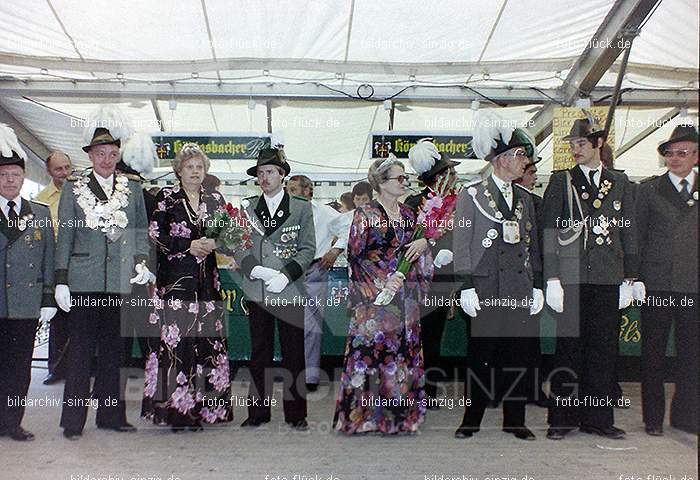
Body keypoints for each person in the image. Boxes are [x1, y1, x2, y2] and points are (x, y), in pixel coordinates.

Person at [55, 106, 153, 440]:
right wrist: (60, 279)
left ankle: (112, 416)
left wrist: (143, 264)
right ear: (91, 156)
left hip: (121, 282)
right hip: (84, 282)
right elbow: (65, 236)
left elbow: (141, 232)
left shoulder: (133, 189)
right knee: (81, 353)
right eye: (101, 154)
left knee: (117, 353)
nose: (107, 160)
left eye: (113, 154)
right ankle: (72, 421)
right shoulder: (73, 187)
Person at [542, 116, 640, 440]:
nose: (574, 149)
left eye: (581, 143)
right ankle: (561, 419)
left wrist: (630, 278)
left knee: (603, 351)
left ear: (598, 143)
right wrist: (552, 278)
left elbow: (629, 233)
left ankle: (598, 419)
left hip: (607, 277)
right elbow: (550, 233)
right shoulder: (562, 181)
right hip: (571, 278)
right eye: (571, 144)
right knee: (568, 349)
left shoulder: (620, 182)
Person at [452, 121, 544, 440]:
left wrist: (537, 286)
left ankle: (514, 419)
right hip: (486, 288)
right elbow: (461, 243)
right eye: (520, 155)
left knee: (517, 355)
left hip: (518, 288)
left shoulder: (525, 197)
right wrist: (465, 286)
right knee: (481, 356)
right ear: (501, 158)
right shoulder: (472, 194)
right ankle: (472, 417)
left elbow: (532, 245)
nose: (525, 162)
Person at [333, 156, 433, 435]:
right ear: (381, 183)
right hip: (372, 300)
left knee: (401, 356)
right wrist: (382, 284)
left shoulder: (411, 215)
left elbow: (419, 256)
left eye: (405, 178)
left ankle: (399, 418)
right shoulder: (364, 215)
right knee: (368, 356)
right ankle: (362, 417)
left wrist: (425, 245)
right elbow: (355, 257)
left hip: (405, 299)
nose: (405, 182)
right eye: (399, 178)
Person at [141, 143, 233, 431]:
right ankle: (177, 410)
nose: (195, 171)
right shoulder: (166, 198)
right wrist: (188, 245)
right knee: (176, 344)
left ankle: (208, 408)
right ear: (178, 171)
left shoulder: (215, 199)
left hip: (207, 282)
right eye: (189, 167)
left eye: (199, 167)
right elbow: (155, 236)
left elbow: (228, 233)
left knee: (207, 342)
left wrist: (215, 242)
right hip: (176, 282)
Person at [234, 143, 316, 430]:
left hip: (289, 290)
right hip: (258, 290)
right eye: (260, 172)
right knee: (260, 354)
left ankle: (296, 415)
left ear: (282, 175)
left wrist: (286, 275)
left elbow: (308, 249)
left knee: (294, 354)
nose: (265, 177)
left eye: (270, 171)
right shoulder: (246, 209)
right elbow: (238, 245)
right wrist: (253, 268)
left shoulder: (301, 208)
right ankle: (257, 413)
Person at [636, 124, 698, 436]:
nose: (675, 159)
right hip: (657, 284)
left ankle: (686, 417)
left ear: (696, 157)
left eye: (682, 153)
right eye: (670, 154)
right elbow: (637, 238)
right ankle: (652, 419)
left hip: (693, 286)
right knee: (653, 355)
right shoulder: (648, 190)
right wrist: (634, 279)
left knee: (692, 355)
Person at [0, 124, 57, 441]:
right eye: (4, 175)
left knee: (19, 368)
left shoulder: (40, 213)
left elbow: (49, 259)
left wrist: (48, 299)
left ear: (23, 178)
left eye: (15, 175)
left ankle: (12, 422)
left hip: (25, 305)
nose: (10, 181)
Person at [404, 138, 460, 408]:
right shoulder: (414, 202)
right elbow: (405, 240)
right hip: (416, 279)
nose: (454, 176)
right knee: (415, 335)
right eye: (449, 172)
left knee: (434, 336)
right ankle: (413, 387)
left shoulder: (457, 203)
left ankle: (431, 389)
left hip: (443, 280)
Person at [286, 175, 347, 392]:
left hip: (314, 270)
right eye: (288, 189)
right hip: (288, 273)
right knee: (290, 325)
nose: (289, 193)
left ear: (308, 191)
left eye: (293, 189)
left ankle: (310, 377)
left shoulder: (324, 212)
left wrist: (334, 250)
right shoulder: (283, 212)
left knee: (311, 326)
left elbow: (348, 229)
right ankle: (293, 373)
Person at [35, 150, 72, 385]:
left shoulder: (81, 193)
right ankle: (56, 369)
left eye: (68, 167)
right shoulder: (41, 200)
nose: (65, 173)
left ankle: (83, 367)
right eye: (59, 169)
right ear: (48, 171)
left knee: (80, 317)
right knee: (57, 319)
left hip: (78, 264)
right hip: (54, 264)